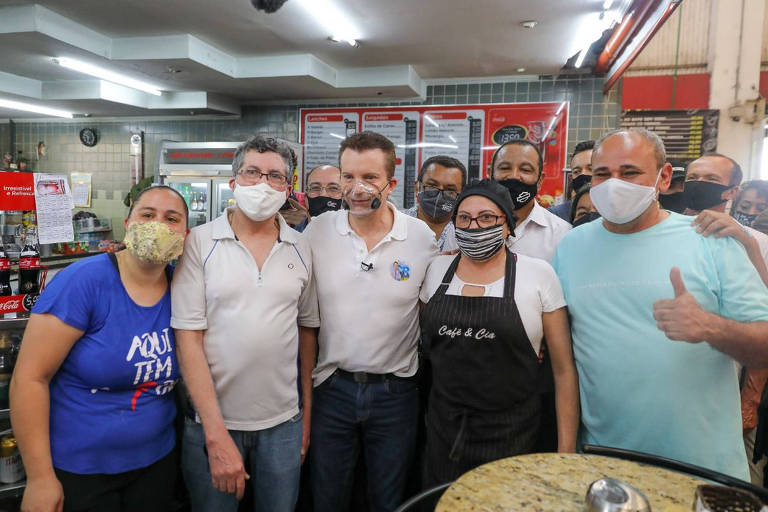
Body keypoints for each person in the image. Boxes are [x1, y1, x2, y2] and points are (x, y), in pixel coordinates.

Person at [553, 127, 768, 480]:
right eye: (602, 174)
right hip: (605, 464)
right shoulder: (570, 247)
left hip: (703, 469)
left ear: (664, 177)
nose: (613, 184)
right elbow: (566, 363)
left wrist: (710, 327)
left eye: (630, 172)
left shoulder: (709, 240)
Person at [11, 185, 189, 512]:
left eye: (172, 218)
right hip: (81, 470)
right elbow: (29, 379)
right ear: (128, 223)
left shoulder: (183, 289)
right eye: (147, 215)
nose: (158, 224)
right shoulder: (84, 282)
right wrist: (39, 478)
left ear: (185, 234)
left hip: (157, 461)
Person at [172, 135, 319, 512]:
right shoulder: (200, 243)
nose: (263, 183)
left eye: (275, 176)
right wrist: (215, 434)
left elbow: (306, 335)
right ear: (234, 181)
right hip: (212, 422)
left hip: (283, 422)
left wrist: (304, 420)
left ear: (288, 189)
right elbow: (188, 339)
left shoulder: (301, 247)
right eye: (252, 172)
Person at [303, 131, 438, 512]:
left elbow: (431, 310)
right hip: (332, 389)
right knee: (327, 496)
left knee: (388, 498)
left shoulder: (420, 237)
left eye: (370, 178)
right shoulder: (318, 232)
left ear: (391, 183)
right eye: (348, 177)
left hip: (395, 394)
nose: (357, 189)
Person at [419, 178, 579, 486]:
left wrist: (566, 450)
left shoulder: (538, 275)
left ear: (507, 225)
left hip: (512, 432)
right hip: (443, 429)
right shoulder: (437, 270)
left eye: (487, 218)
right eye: (464, 218)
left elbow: (563, 371)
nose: (474, 227)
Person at [683, 155, 768, 287]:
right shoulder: (665, 228)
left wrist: (749, 245)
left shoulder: (757, 241)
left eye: (711, 178)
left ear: (732, 192)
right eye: (692, 178)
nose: (698, 183)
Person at [490, 139, 571, 263]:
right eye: (505, 168)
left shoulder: (563, 235)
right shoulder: (464, 227)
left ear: (540, 181)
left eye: (525, 170)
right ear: (489, 174)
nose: (514, 176)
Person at [404, 155, 466, 251]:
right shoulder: (395, 224)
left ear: (461, 196)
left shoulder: (466, 234)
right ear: (417, 188)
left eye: (450, 190)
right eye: (431, 186)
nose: (439, 195)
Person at [550, 140, 594, 222]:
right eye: (577, 171)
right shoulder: (555, 216)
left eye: (591, 169)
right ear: (571, 177)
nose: (583, 174)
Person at [294, 164, 343, 232]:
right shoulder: (287, 240)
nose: (323, 194)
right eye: (315, 188)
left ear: (345, 198)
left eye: (333, 188)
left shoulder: (359, 240)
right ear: (306, 199)